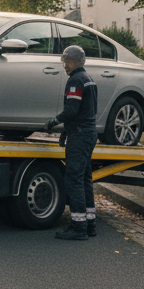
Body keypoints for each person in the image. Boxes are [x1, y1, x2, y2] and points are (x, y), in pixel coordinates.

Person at [45, 43, 98, 240]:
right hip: (88, 133)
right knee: (85, 179)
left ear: (75, 61)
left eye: (67, 62)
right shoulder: (89, 79)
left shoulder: (76, 81)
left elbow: (72, 111)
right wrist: (65, 133)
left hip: (80, 135)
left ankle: (78, 227)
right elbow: (85, 111)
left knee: (73, 179)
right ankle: (90, 223)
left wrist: (54, 122)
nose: (64, 66)